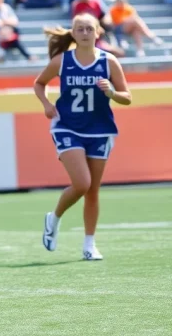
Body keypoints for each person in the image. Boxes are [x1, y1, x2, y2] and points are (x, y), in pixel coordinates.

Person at [34, 14, 132, 260]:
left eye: (90, 28)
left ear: (98, 32)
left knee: (93, 191)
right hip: (67, 127)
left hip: (100, 129)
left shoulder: (109, 62)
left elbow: (127, 97)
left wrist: (111, 92)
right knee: (82, 183)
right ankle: (54, 217)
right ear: (74, 33)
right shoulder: (62, 61)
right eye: (80, 29)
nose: (85, 32)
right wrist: (46, 104)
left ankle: (89, 244)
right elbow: (39, 83)